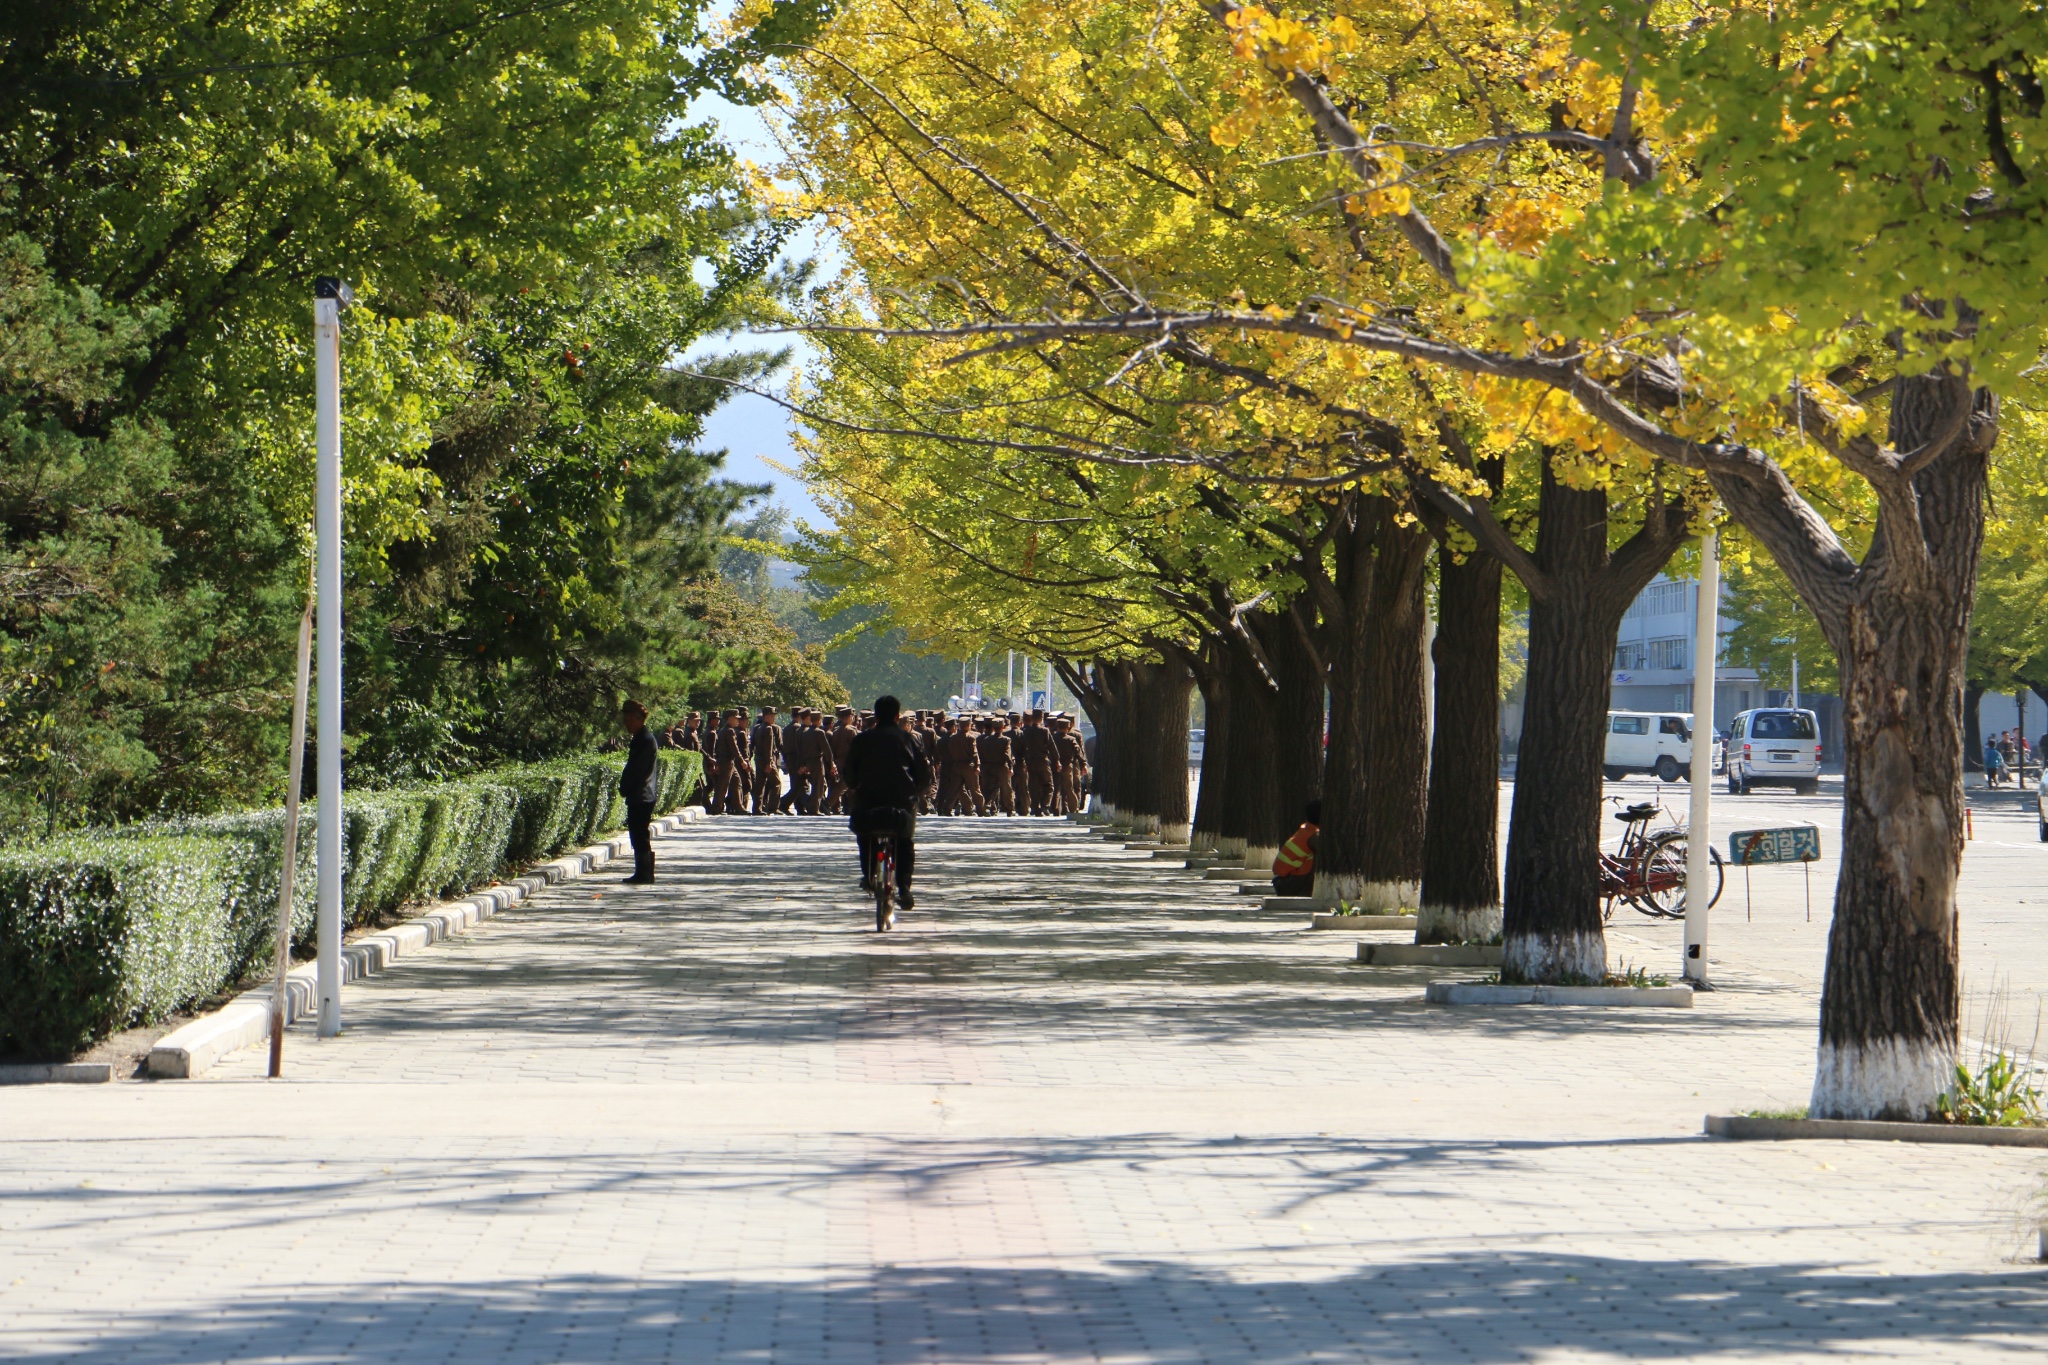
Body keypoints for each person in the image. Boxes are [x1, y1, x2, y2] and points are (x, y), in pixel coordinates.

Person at [843, 694, 931, 911]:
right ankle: (904, 889)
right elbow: (924, 774)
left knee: (865, 837)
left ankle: (868, 875)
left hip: (868, 803)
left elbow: (849, 772)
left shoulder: (861, 739)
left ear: (875, 715)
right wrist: (916, 792)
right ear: (897, 716)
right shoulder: (908, 739)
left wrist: (855, 787)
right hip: (901, 804)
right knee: (904, 843)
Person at [618, 699, 659, 884]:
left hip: (642, 794)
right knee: (637, 834)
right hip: (640, 794)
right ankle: (642, 871)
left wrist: (626, 786)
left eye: (629, 720)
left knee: (640, 834)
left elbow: (637, 770)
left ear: (638, 719)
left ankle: (645, 873)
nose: (627, 724)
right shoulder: (640, 738)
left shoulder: (645, 739)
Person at [1272, 800, 1320, 897]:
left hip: (1283, 882)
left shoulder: (1306, 830)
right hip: (1290, 885)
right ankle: (1308, 892)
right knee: (1319, 857)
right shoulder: (1313, 837)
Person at [711, 708, 750, 813]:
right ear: (730, 718)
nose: (738, 720)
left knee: (736, 782)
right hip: (727, 762)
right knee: (723, 785)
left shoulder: (723, 729)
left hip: (727, 761)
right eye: (736, 718)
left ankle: (738, 807)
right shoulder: (729, 731)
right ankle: (716, 807)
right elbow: (734, 748)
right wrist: (742, 761)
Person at [977, 716, 1014, 815]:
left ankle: (987, 807)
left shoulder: (986, 740)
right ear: (1002, 727)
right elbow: (1007, 754)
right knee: (1006, 789)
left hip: (988, 766)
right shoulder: (1006, 740)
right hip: (1001, 766)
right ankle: (1010, 809)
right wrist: (1010, 767)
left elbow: (982, 753)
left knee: (989, 789)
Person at [751, 706, 783, 815]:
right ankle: (773, 807)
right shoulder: (769, 729)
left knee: (760, 785)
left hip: (759, 759)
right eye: (772, 715)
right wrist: (769, 762)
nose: (774, 718)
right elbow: (768, 747)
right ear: (766, 716)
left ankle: (757, 808)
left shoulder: (758, 728)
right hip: (766, 760)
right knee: (777, 783)